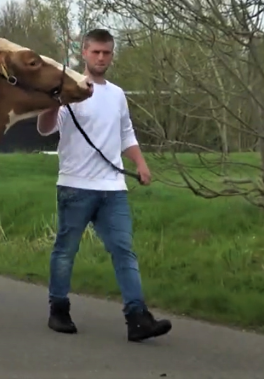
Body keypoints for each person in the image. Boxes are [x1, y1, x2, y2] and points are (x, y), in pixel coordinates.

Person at [36, 28, 172, 342]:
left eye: (106, 52)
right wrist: (56, 100)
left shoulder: (117, 94)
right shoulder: (70, 90)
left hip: (113, 189)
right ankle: (59, 309)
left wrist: (140, 163)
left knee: (124, 250)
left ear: (111, 55)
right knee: (66, 251)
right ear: (83, 53)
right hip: (75, 185)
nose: (101, 58)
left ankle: (137, 318)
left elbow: (127, 134)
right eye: (95, 52)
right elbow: (44, 129)